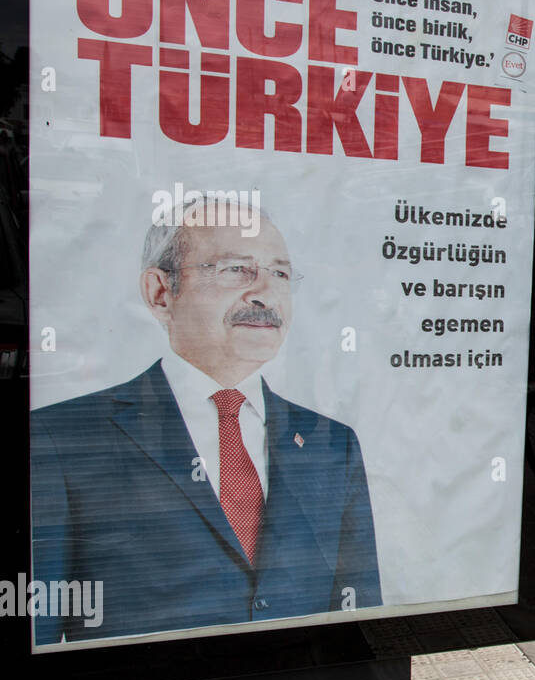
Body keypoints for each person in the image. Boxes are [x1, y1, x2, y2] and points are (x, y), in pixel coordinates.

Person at [30, 196, 381, 644]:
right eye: (235, 269)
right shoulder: (60, 438)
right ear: (161, 292)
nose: (264, 292)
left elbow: (360, 623)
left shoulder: (333, 444)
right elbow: (38, 632)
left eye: (279, 273)